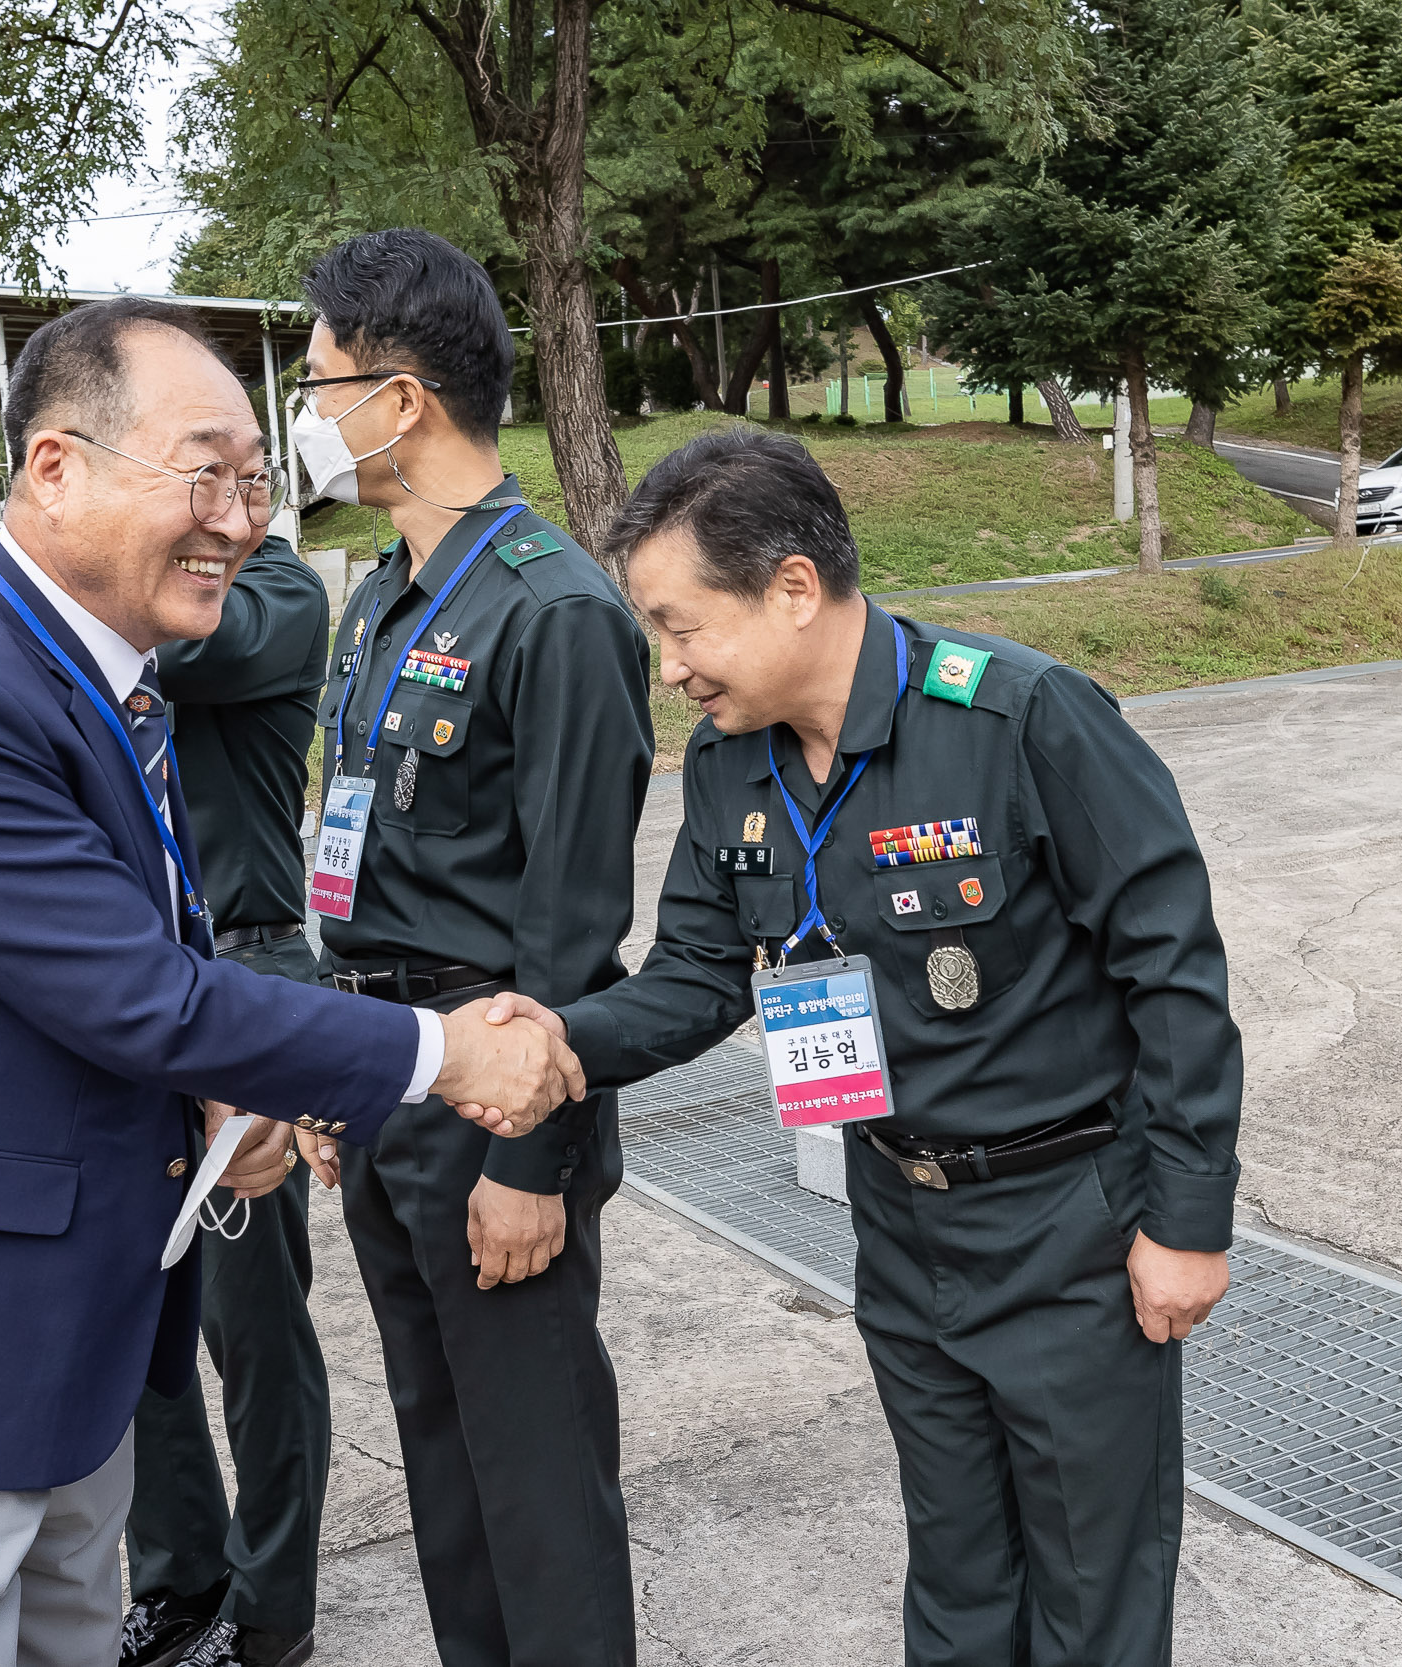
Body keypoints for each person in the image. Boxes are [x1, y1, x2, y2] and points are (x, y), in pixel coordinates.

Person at [0, 297, 581, 1667]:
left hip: (40, 1371)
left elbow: (69, 978)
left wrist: (207, 1098)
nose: (241, 516)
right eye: (202, 472)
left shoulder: (104, 680)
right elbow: (135, 992)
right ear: (55, 468)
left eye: (257, 480)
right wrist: (442, 1050)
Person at [474, 428, 1244, 1667]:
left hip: (1070, 1232)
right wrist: (560, 1038)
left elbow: (1174, 972)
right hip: (898, 1220)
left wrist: (1188, 1220)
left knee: (1091, 1590)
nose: (670, 668)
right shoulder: (734, 767)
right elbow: (696, 976)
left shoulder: (1020, 718)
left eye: (682, 627)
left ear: (790, 587)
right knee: (953, 1573)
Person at [285, 228, 655, 1667]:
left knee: (537, 1469)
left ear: (404, 395)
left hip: (492, 1091)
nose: (310, 414)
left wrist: (526, 1157)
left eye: (321, 383)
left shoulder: (553, 608)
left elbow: (572, 929)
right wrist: (334, 1061)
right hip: (386, 1076)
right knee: (442, 1456)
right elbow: (359, 852)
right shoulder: (381, 591)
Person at [119, 530, 332, 1667]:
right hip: (119, 992)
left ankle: (270, 1602)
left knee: (250, 1325)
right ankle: (177, 1576)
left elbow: (187, 641)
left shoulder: (276, 587)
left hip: (243, 980)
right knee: (139, 1315)